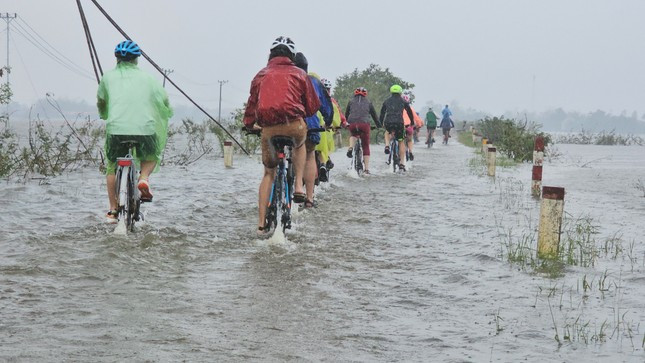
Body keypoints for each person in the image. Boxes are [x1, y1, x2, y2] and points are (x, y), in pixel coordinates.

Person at [243, 36, 321, 233]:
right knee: (300, 144)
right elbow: (312, 107)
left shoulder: (260, 75)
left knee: (269, 173)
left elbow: (252, 106)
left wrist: (249, 125)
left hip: (268, 130)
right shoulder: (300, 74)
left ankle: (261, 225)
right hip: (294, 126)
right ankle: (297, 187)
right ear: (291, 56)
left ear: (271, 54)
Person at [97, 40, 173, 223]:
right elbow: (164, 100)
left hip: (116, 130)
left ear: (117, 59)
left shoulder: (107, 78)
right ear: (136, 60)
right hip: (145, 130)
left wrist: (105, 114)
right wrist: (166, 111)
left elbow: (101, 102)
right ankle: (144, 178)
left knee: (111, 166)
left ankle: (113, 210)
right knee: (151, 155)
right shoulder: (149, 79)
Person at [293, 52, 333, 207]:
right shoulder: (314, 82)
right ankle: (309, 198)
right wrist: (328, 122)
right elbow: (326, 105)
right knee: (309, 155)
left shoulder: (287, 79)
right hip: (311, 125)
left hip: (287, 125)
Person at [316, 78, 346, 182]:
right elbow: (337, 118)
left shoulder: (312, 99)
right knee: (325, 148)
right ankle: (325, 162)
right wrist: (338, 126)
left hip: (312, 130)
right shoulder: (331, 102)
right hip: (326, 132)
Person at [344, 87, 380, 174]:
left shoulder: (351, 101)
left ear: (355, 93)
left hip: (352, 123)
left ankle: (350, 147)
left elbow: (346, 114)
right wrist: (378, 125)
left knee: (353, 134)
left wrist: (345, 123)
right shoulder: (368, 102)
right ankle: (366, 169)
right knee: (365, 146)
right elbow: (374, 116)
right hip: (364, 124)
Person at [379, 84, 415, 171]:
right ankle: (402, 163)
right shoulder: (403, 101)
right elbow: (409, 112)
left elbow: (382, 113)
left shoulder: (386, 101)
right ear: (400, 92)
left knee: (387, 132)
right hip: (399, 123)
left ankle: (387, 145)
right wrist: (412, 122)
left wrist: (381, 123)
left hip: (388, 122)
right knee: (401, 141)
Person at [400, 94, 423, 161]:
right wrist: (419, 125)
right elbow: (417, 118)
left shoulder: (398, 108)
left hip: (400, 126)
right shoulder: (411, 109)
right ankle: (410, 151)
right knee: (409, 140)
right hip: (408, 127)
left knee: (399, 140)